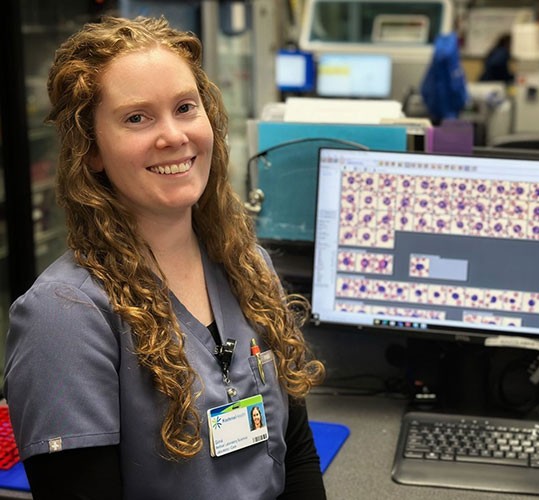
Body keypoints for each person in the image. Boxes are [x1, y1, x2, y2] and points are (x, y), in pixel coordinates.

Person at [4, 16, 326, 499]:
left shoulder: (248, 266)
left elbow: (296, 450)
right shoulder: (64, 315)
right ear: (91, 149)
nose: (173, 136)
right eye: (137, 117)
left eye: (184, 108)